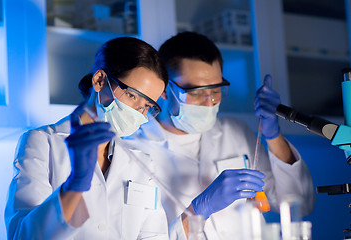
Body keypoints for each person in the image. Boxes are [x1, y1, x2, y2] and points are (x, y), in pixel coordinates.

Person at [122, 32, 316, 239]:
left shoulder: (235, 132)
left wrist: (273, 135)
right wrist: (199, 210)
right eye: (196, 92)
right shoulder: (132, 149)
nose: (209, 102)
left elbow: (300, 203)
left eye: (216, 91)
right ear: (165, 90)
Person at [4, 37, 170, 239]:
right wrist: (75, 183)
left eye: (147, 106)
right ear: (100, 80)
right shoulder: (41, 143)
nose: (139, 114)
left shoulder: (142, 162)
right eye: (133, 96)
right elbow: (22, 235)